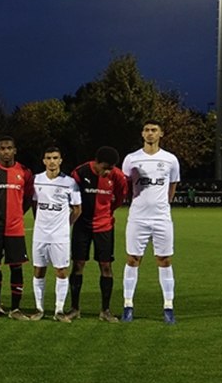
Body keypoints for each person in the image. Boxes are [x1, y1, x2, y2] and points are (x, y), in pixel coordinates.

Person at [121, 120, 181, 323]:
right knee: (132, 259)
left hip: (161, 217)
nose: (150, 133)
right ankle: (128, 304)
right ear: (142, 133)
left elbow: (172, 186)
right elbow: (125, 185)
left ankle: (168, 306)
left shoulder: (170, 160)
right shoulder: (131, 159)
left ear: (161, 133)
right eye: (146, 130)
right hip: (137, 217)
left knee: (164, 260)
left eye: (154, 130)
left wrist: (163, 205)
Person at [67, 146, 127, 322]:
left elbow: (119, 199)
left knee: (106, 266)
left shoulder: (118, 176)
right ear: (96, 162)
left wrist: (106, 213)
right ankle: (74, 308)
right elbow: (72, 198)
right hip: (82, 227)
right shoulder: (79, 173)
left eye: (111, 168)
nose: (108, 172)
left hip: (104, 227)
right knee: (78, 265)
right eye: (105, 167)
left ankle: (105, 310)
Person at [0, 136, 35, 320]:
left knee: (16, 268)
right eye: (2, 148)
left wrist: (17, 213)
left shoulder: (25, 173)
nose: (6, 151)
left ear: (15, 150)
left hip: (15, 227)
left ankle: (15, 309)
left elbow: (27, 199)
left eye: (9, 148)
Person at [29, 147, 82, 322]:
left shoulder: (70, 182)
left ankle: (59, 310)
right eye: (48, 158)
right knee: (38, 270)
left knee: (61, 271)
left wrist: (65, 225)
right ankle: (39, 308)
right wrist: (41, 223)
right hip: (40, 234)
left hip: (60, 236)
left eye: (55, 158)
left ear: (60, 160)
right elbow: (35, 205)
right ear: (44, 161)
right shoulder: (36, 180)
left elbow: (77, 209)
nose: (52, 161)